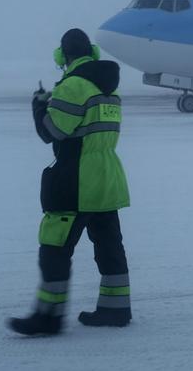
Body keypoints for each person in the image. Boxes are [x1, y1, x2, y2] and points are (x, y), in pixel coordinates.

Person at [8, 28, 131, 336]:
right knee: (109, 246)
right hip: (108, 178)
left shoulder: (73, 85)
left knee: (54, 248)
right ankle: (116, 311)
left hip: (75, 181)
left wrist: (39, 107)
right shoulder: (109, 88)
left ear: (63, 55)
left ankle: (48, 317)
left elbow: (53, 131)